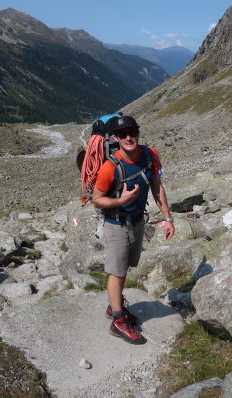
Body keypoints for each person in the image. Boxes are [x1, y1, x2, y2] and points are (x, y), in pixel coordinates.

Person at [92, 115, 175, 344]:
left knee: (124, 267)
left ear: (138, 133)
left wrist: (168, 218)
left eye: (133, 132)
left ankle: (114, 307)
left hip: (138, 221)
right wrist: (121, 200)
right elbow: (97, 199)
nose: (129, 137)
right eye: (123, 134)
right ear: (116, 139)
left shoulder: (149, 155)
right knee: (116, 271)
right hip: (117, 224)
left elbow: (157, 187)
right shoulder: (110, 167)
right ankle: (118, 321)